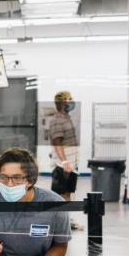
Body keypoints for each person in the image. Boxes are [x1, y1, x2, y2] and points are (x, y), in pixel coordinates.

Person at [0, 148, 70, 256]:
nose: (9, 184)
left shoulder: (55, 204)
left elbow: (61, 245)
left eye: (17, 178)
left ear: (31, 180)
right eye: (3, 177)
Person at [49, 91, 83, 231]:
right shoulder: (57, 120)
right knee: (59, 194)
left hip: (71, 164)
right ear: (62, 103)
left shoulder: (66, 118)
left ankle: (66, 220)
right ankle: (56, 221)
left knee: (67, 193)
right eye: (69, 99)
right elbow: (57, 142)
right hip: (63, 164)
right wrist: (64, 162)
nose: (72, 102)